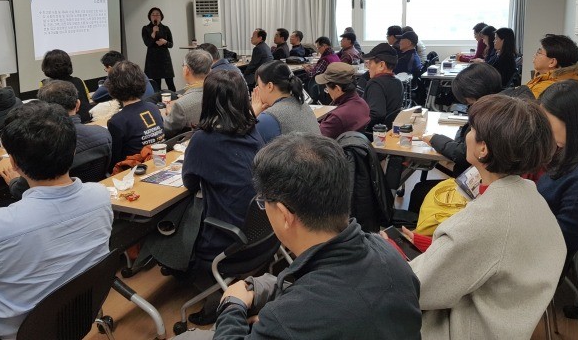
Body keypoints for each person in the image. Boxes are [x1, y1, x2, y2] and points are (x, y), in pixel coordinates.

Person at [212, 133, 422, 340]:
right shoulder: (391, 254)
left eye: (263, 202)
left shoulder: (290, 318)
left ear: (285, 215)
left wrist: (232, 304)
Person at [407, 95, 565, 340]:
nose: (467, 135)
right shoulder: (529, 196)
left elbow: (416, 288)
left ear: (483, 149)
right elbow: (490, 254)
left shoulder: (488, 218)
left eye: (472, 129)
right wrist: (436, 248)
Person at [0, 101, 112, 340]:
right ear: (73, 150)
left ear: (13, 163)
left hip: (10, 332)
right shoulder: (101, 196)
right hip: (75, 316)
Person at [182, 69, 264, 325]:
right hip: (264, 237)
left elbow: (189, 182)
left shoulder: (203, 141)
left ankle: (207, 294)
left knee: (179, 215)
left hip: (228, 244)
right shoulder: (253, 131)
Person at [1, 79, 113, 199]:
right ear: (78, 104)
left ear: (44, 108)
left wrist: (13, 181)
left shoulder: (40, 145)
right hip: (92, 196)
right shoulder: (103, 134)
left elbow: (21, 191)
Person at [537, 80, 578, 266]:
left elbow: (560, 245)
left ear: (572, 122)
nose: (543, 130)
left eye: (547, 122)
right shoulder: (570, 152)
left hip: (535, 269)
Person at [423, 63, 503, 176]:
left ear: (476, 91)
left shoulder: (489, 117)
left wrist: (434, 139)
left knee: (418, 190)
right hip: (481, 174)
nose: (467, 103)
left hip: (477, 177)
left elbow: (464, 153)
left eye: (468, 100)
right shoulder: (500, 108)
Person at [106, 60, 165, 171]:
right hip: (158, 163)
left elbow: (115, 160)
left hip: (134, 171)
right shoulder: (153, 107)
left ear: (112, 87)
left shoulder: (117, 121)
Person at [252, 61, 320, 143]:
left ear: (270, 86)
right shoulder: (302, 104)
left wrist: (253, 113)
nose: (256, 90)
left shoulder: (268, 118)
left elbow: (244, 148)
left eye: (258, 86)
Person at [163, 49, 212, 136]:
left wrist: (170, 114)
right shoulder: (220, 91)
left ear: (187, 70)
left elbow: (167, 130)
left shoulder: (181, 105)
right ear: (209, 70)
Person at [315, 63, 370, 139]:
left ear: (338, 89)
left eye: (327, 88)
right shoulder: (363, 104)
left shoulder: (337, 117)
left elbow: (315, 141)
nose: (328, 91)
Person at [41, 49, 91, 123]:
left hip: (59, 127)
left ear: (46, 66)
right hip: (83, 121)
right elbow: (87, 101)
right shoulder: (78, 81)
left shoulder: (45, 85)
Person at [361, 43, 403, 130]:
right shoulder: (398, 82)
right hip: (390, 131)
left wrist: (357, 124)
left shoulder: (375, 84)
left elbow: (377, 114)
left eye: (370, 63)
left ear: (381, 65)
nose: (368, 67)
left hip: (375, 134)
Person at [525, 34, 578, 98]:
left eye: (539, 52)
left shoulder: (548, 88)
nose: (535, 55)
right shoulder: (543, 76)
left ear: (552, 62)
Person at [142, 7, 175, 91]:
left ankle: (175, 100)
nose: (155, 16)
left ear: (161, 16)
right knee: (156, 84)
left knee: (170, 82)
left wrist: (165, 42)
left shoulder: (166, 28)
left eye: (157, 14)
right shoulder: (146, 28)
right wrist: (153, 33)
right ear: (150, 17)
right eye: (153, 15)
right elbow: (147, 43)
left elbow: (171, 44)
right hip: (152, 59)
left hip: (164, 58)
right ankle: (157, 102)